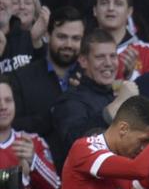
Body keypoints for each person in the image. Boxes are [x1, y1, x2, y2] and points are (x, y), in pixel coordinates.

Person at [9, 5, 83, 161]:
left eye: (76, 38)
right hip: (36, 173)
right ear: (48, 36)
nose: (69, 44)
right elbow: (10, 126)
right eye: (62, 37)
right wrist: (50, 115)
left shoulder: (88, 78)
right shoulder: (21, 78)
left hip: (82, 174)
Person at [50, 28, 138, 157]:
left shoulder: (115, 95)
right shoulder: (70, 101)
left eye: (113, 56)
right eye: (100, 57)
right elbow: (75, 143)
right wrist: (112, 109)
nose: (108, 63)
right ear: (84, 61)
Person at [93, 0, 149, 80]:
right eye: (104, 3)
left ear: (129, 12)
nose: (111, 8)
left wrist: (131, 77)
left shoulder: (147, 52)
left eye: (118, 4)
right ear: (95, 10)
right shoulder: (81, 47)